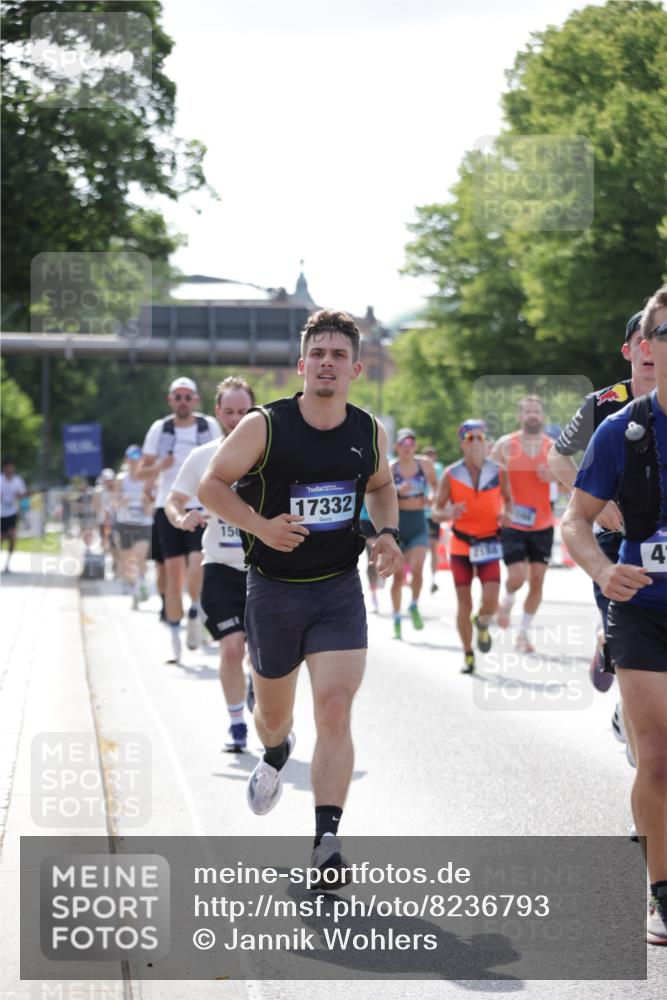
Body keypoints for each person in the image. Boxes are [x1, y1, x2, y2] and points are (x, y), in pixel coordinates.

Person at [199, 309, 402, 886]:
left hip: (338, 590)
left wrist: (385, 534)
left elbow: (383, 487)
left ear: (356, 368)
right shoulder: (265, 426)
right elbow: (212, 486)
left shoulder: (367, 430)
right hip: (273, 592)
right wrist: (261, 528)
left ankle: (326, 840)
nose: (327, 364)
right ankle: (275, 749)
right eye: (318, 354)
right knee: (274, 718)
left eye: (339, 355)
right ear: (301, 365)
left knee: (335, 708)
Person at [561, 285, 667, 946]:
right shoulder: (616, 427)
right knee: (655, 758)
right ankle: (662, 890)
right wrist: (602, 570)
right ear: (645, 347)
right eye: (662, 333)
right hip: (641, 606)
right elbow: (570, 520)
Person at [548, 310, 656, 697]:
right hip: (616, 540)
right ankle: (607, 647)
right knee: (624, 634)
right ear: (628, 350)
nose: (649, 348)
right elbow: (557, 457)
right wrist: (598, 498)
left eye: (657, 336)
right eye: (640, 340)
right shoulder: (605, 403)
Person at [166, 376, 255, 752]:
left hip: (265, 570)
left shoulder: (271, 456)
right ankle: (237, 723)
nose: (236, 419)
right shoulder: (203, 456)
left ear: (255, 412)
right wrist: (181, 518)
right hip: (219, 565)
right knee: (231, 648)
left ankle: (259, 694)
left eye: (244, 412)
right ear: (217, 412)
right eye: (229, 412)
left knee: (263, 655)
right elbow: (174, 500)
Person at [139, 377, 221, 663]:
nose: (183, 401)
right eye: (178, 396)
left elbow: (222, 460)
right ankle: (174, 636)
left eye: (188, 396)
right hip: (168, 506)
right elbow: (140, 472)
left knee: (197, 563)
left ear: (196, 399)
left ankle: (196, 610)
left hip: (201, 504)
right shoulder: (160, 429)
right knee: (173, 575)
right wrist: (160, 468)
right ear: (170, 400)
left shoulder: (207, 426)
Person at [433, 421, 511, 674]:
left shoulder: (499, 472)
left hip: (489, 543)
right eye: (470, 438)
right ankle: (468, 654)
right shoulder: (451, 473)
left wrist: (506, 515)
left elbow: (510, 502)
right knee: (463, 603)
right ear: (462, 443)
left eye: (479, 437)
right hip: (461, 545)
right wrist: (448, 512)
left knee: (490, 602)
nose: (476, 442)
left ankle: (482, 622)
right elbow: (435, 512)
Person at [491, 395, 557, 653]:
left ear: (542, 416)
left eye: (536, 411)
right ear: (520, 416)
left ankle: (523, 634)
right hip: (512, 521)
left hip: (542, 523)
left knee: (537, 580)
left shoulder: (553, 447)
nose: (532, 415)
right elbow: (488, 479)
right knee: (517, 576)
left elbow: (569, 484)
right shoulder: (505, 445)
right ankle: (507, 599)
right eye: (528, 411)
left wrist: (553, 475)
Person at [389, 429, 438, 639]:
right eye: (403, 443)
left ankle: (414, 605)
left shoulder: (424, 464)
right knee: (398, 577)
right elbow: (380, 495)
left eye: (411, 443)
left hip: (418, 523)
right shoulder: (391, 468)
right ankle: (397, 618)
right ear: (397, 447)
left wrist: (432, 498)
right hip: (399, 525)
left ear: (415, 446)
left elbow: (436, 487)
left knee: (418, 570)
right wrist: (396, 492)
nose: (407, 447)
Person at [113, 445, 153, 609]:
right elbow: (113, 502)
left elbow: (155, 500)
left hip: (143, 523)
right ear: (126, 460)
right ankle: (134, 587)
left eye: (138, 459)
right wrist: (122, 502)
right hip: (125, 523)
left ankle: (141, 581)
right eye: (132, 459)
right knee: (127, 560)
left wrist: (147, 505)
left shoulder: (148, 478)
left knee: (140, 556)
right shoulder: (121, 479)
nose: (135, 462)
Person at [423, 445, 444, 593]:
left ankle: (433, 579)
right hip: (418, 514)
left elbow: (438, 487)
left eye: (432, 455)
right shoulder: (418, 467)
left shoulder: (438, 468)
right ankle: (412, 574)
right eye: (427, 455)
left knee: (433, 548)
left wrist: (433, 500)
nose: (430, 458)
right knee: (416, 548)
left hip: (432, 515)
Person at [1, 459, 27, 573]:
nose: (10, 470)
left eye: (11, 467)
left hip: (12, 512)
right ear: (4, 468)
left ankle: (7, 564)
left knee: (12, 537)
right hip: (0, 513)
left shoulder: (17, 481)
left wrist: (19, 496)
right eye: (8, 467)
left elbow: (22, 496)